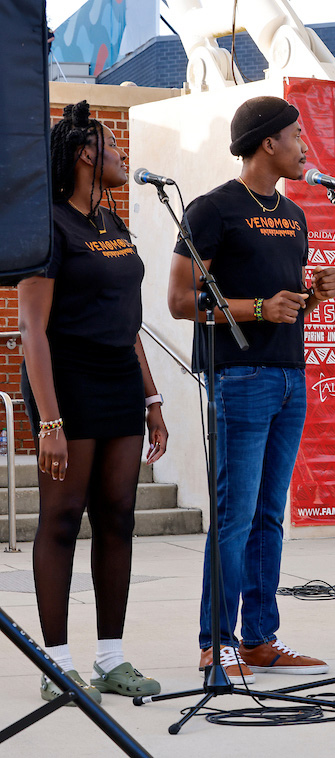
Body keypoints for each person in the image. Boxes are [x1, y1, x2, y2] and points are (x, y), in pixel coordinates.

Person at [167, 96, 335, 681]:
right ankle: (216, 642)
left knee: (270, 515)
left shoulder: (293, 216)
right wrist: (259, 308)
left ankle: (261, 638)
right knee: (235, 514)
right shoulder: (213, 209)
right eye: (297, 136)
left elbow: (287, 306)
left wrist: (316, 293)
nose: (304, 147)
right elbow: (182, 301)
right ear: (269, 142)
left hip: (290, 374)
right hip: (240, 377)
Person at [18, 101, 168, 704]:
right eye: (113, 146)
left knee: (117, 518)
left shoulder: (114, 225)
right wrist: (48, 421)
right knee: (61, 518)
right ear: (85, 153)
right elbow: (32, 330)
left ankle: (112, 657)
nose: (122, 156)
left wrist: (152, 396)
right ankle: (56, 663)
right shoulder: (47, 225)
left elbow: (127, 322)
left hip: (119, 380)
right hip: (67, 378)